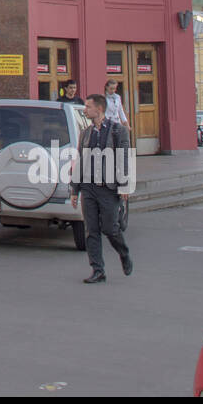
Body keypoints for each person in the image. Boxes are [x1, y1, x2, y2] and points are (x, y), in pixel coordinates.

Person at [69, 93, 132, 283]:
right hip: (88, 188)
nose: (85, 110)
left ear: (99, 109)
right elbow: (80, 161)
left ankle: (123, 253)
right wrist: (75, 189)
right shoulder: (86, 133)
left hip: (108, 188)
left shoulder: (118, 131)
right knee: (91, 230)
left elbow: (124, 158)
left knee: (110, 228)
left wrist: (124, 186)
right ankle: (98, 270)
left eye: (88, 107)